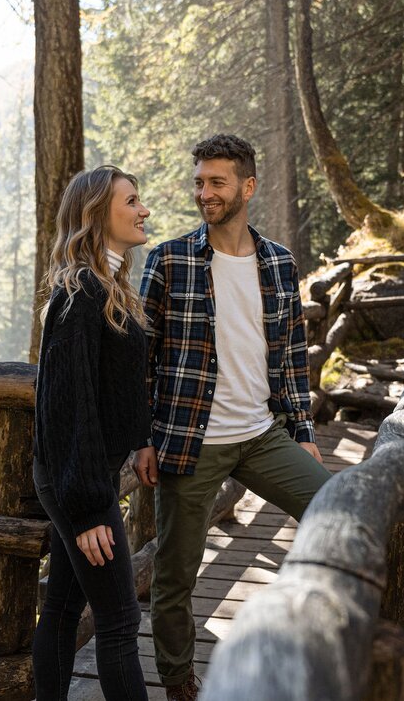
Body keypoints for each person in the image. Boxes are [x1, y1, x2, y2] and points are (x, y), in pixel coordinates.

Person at [132, 134, 333, 701]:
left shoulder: (278, 262)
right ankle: (178, 683)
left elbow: (291, 357)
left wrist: (304, 434)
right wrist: (142, 439)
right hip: (189, 444)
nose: (205, 193)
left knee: (337, 511)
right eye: (199, 182)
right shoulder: (169, 261)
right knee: (175, 579)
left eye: (216, 182)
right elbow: (142, 361)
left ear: (247, 187)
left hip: (261, 435)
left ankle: (314, 640)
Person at [32, 165, 152, 701]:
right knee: (121, 620)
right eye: (131, 200)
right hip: (75, 480)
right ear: (97, 213)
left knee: (61, 607)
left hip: (85, 472)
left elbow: (115, 386)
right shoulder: (79, 294)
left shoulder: (107, 285)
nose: (143, 209)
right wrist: (84, 511)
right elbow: (67, 404)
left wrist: (142, 436)